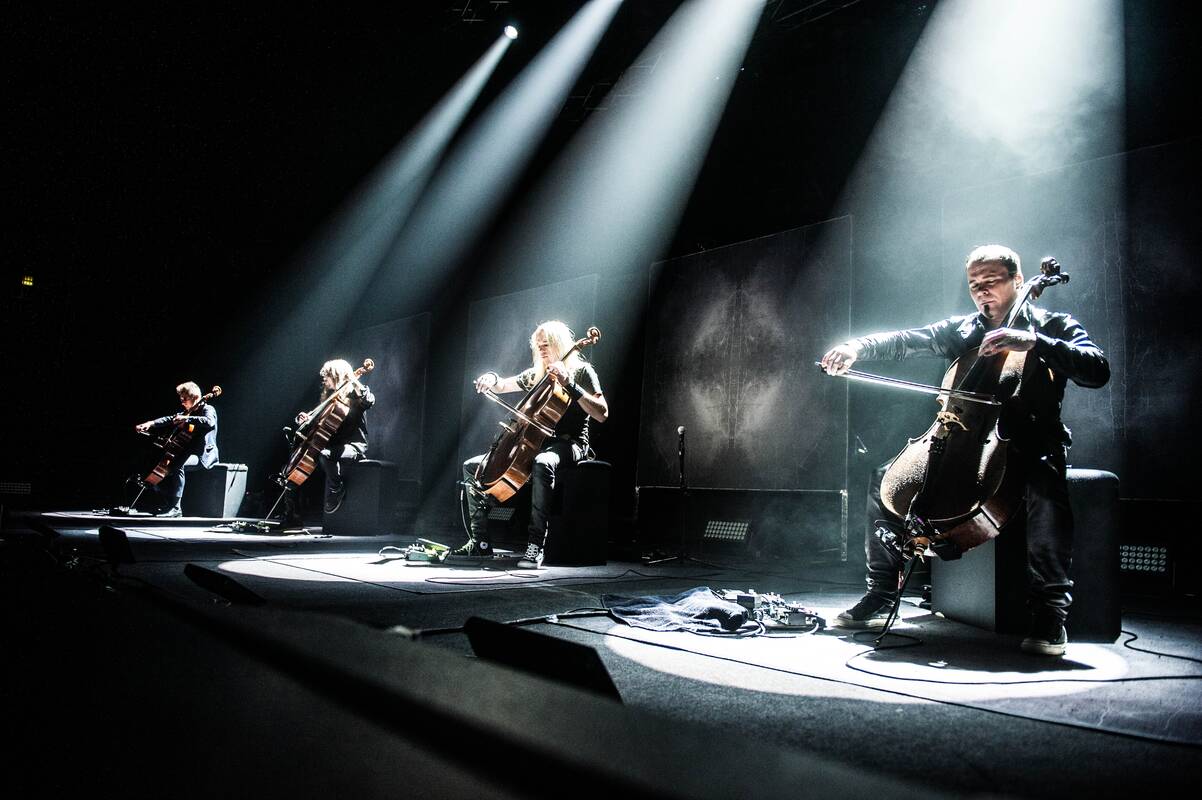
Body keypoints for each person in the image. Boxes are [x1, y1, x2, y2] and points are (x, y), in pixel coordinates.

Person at [819, 245, 1110, 656]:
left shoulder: (1053, 324)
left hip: (1031, 441)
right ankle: (881, 594)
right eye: (975, 285)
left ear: (1018, 281)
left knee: (1044, 488)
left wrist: (1035, 342)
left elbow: (1097, 369)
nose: (982, 291)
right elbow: (907, 340)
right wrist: (857, 347)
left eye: (991, 281)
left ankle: (1051, 614)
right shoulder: (965, 329)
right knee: (885, 479)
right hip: (966, 437)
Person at [457, 320, 607, 569]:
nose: (541, 350)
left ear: (559, 344)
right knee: (473, 467)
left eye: (546, 345)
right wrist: (491, 378)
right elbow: (503, 384)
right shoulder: (539, 375)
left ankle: (536, 544)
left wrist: (570, 384)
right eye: (538, 346)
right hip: (537, 442)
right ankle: (480, 542)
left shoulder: (581, 372)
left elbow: (602, 412)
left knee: (542, 462)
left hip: (571, 444)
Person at [134, 381, 218, 516]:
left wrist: (187, 418)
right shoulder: (187, 412)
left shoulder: (208, 409)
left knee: (178, 465)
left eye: (184, 398)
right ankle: (165, 501)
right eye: (181, 398)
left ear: (195, 397)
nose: (182, 401)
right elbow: (170, 419)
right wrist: (150, 423)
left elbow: (209, 421)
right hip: (187, 453)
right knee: (163, 468)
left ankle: (176, 508)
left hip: (203, 455)